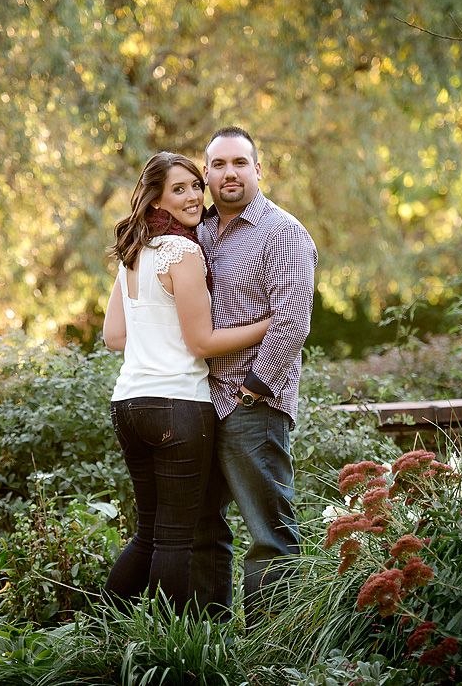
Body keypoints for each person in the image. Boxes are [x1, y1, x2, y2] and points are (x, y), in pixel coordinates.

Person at [101, 151, 271, 615]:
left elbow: (113, 336)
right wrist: (266, 325)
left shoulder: (133, 252)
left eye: (196, 185)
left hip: (129, 404)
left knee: (148, 532)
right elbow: (201, 342)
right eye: (180, 189)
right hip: (178, 405)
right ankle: (169, 647)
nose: (195, 195)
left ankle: (100, 631)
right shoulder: (184, 250)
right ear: (157, 197)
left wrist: (155, 331)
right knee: (175, 539)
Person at [190, 126, 317, 621]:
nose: (229, 173)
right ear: (207, 174)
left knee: (268, 533)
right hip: (198, 402)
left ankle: (272, 649)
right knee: (204, 530)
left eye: (239, 163)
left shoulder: (283, 231)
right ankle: (211, 644)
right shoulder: (193, 232)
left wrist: (251, 390)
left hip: (254, 406)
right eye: (218, 165)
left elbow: (292, 320)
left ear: (258, 170)